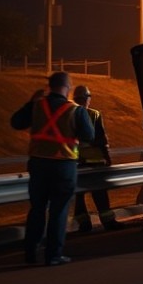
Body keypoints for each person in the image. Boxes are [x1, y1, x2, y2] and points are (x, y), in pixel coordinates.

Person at [11, 72, 94, 266]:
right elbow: (89, 135)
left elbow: (16, 122)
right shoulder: (75, 110)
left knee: (37, 209)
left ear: (50, 86)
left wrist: (30, 102)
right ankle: (53, 255)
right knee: (59, 210)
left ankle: (30, 253)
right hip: (64, 166)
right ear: (68, 87)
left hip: (38, 164)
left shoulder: (37, 106)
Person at [71, 85, 125, 232]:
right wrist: (107, 157)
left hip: (76, 162)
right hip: (95, 161)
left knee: (79, 196)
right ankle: (108, 221)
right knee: (100, 193)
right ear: (88, 98)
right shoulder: (94, 114)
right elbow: (101, 139)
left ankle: (84, 224)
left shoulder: (69, 114)